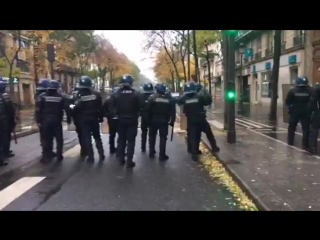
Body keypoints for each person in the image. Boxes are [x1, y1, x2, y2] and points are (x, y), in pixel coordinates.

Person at [179, 81, 218, 161]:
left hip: (191, 120)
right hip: (201, 119)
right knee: (209, 133)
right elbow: (207, 102)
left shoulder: (183, 98)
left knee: (193, 137)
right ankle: (214, 147)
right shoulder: (199, 96)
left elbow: (178, 102)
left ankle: (194, 153)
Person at [109, 74, 142, 168]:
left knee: (121, 139)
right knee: (131, 141)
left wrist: (116, 115)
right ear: (131, 82)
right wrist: (136, 114)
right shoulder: (136, 93)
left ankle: (121, 160)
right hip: (132, 120)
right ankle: (129, 161)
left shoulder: (116, 94)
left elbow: (111, 107)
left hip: (120, 120)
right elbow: (140, 106)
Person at [71, 76, 105, 163]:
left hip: (83, 119)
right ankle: (101, 155)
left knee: (87, 138)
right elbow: (100, 107)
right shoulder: (96, 94)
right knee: (97, 136)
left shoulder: (77, 95)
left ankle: (91, 157)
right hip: (94, 118)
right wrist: (100, 117)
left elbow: (75, 108)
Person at [35, 80, 69, 163]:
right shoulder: (60, 97)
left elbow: (38, 109)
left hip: (45, 121)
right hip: (56, 120)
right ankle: (59, 155)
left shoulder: (42, 96)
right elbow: (66, 108)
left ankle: (46, 156)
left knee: (46, 138)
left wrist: (38, 120)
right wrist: (69, 118)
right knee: (59, 139)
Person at [146, 83, 175, 161]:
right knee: (163, 138)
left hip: (153, 120)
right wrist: (172, 121)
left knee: (152, 137)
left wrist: (147, 121)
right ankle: (162, 155)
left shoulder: (152, 98)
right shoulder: (168, 98)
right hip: (164, 121)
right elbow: (172, 110)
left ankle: (151, 153)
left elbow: (147, 110)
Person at [285, 76, 312, 149]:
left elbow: (287, 101)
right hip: (306, 112)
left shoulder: (293, 90)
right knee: (306, 128)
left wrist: (290, 107)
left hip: (294, 112)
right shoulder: (310, 90)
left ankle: (290, 142)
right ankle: (305, 144)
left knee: (292, 127)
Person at [34, 79, 57, 158]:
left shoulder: (38, 94)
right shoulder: (41, 96)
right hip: (44, 119)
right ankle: (45, 154)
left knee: (47, 136)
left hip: (43, 119)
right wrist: (38, 120)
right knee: (46, 137)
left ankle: (48, 152)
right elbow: (38, 109)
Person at [68, 83, 87, 158]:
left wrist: (70, 118)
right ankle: (86, 148)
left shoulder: (73, 95)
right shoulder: (85, 94)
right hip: (85, 116)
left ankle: (83, 149)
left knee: (80, 134)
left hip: (77, 117)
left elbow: (69, 107)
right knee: (86, 133)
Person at [0, 80, 16, 159]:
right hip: (6, 120)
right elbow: (10, 109)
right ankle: (5, 151)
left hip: (4, 119)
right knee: (6, 136)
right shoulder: (6, 96)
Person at [103, 86, 120, 154]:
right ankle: (119, 149)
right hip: (119, 119)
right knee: (121, 135)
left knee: (112, 135)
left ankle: (112, 149)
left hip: (111, 119)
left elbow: (104, 109)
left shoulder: (108, 100)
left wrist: (107, 115)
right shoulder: (121, 99)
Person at [140, 83, 154, 152]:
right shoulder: (153, 96)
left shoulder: (141, 96)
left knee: (144, 133)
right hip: (152, 116)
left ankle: (143, 147)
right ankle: (151, 149)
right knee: (151, 134)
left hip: (144, 116)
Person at [308, 82, 320, 154]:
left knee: (314, 131)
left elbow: (311, 103)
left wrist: (309, 113)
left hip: (317, 113)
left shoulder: (316, 91)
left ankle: (312, 148)